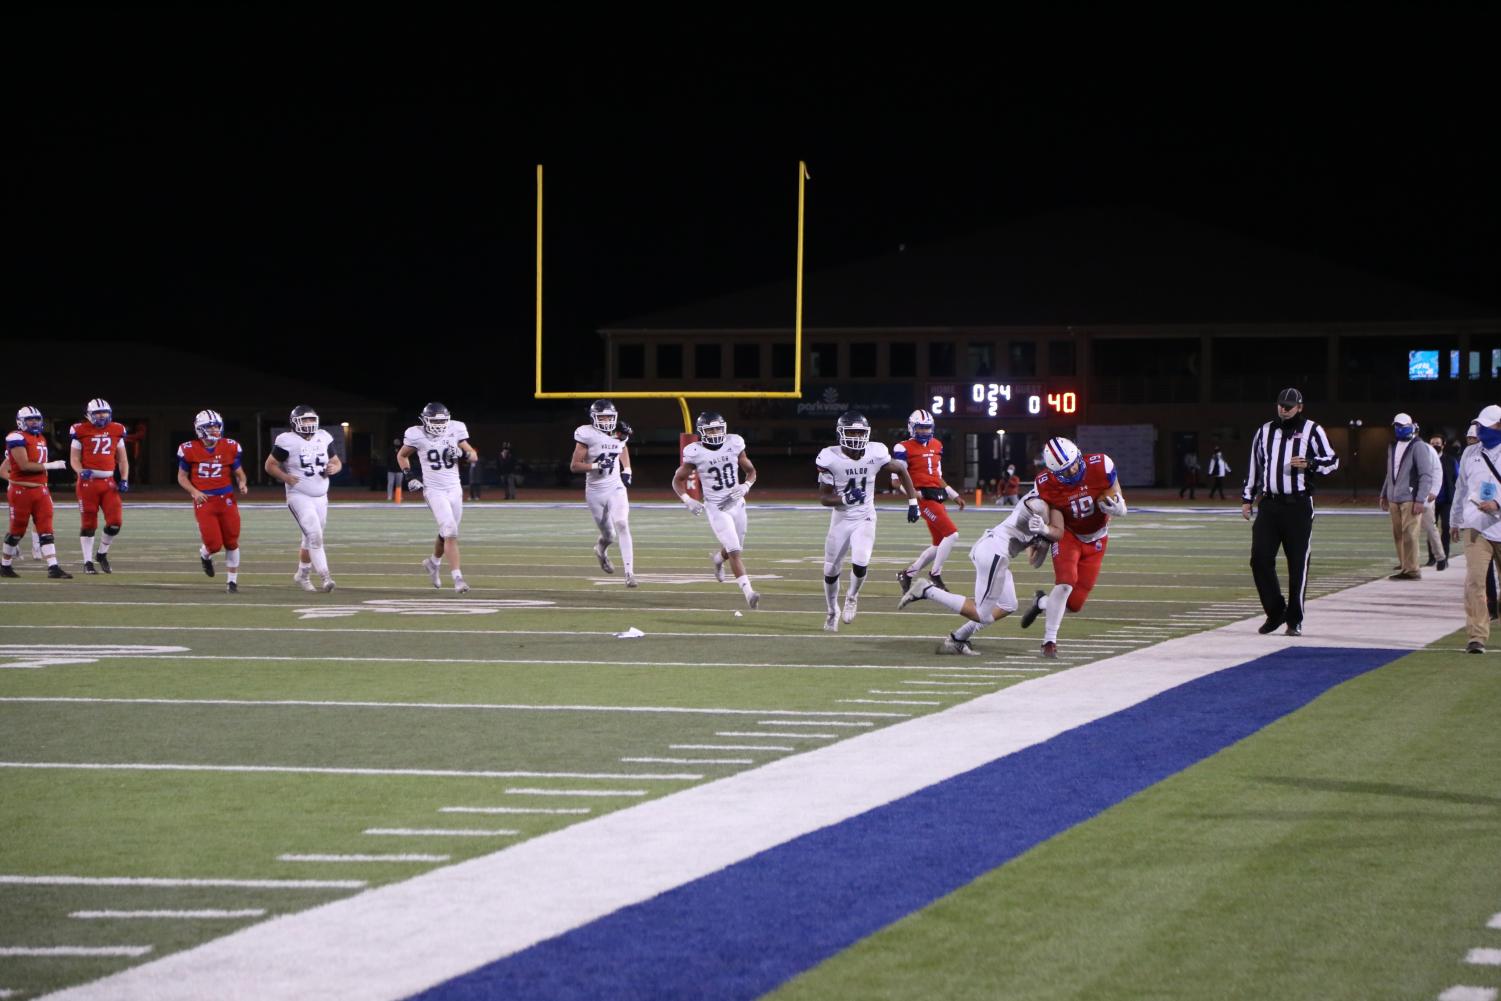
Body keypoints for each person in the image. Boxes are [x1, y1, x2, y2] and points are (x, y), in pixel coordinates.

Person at [899, 488, 1057, 654]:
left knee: (1008, 604)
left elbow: (1034, 561)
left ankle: (958, 638)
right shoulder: (1039, 505)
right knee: (980, 614)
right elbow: (1037, 507)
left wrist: (1045, 536)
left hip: (994, 552)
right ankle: (927, 590)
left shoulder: (1045, 512)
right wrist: (1049, 529)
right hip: (994, 552)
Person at [1014, 437, 1126, 657]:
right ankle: (1049, 642)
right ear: (1055, 473)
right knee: (1065, 584)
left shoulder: (1101, 464)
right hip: (1068, 535)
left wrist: (1120, 509)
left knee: (1074, 605)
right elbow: (1046, 514)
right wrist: (1040, 534)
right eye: (1065, 471)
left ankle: (1042, 602)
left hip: (1097, 539)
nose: (1073, 470)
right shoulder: (1046, 483)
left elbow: (1117, 494)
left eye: (1074, 463)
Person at [1241, 387, 1340, 636]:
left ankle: (1294, 620)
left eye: (1289, 405)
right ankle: (1276, 612)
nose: (1284, 409)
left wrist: (1311, 463)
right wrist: (1247, 498)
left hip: (1298, 505)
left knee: (1298, 564)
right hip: (1270, 504)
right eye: (1281, 405)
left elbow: (1333, 460)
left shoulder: (1312, 430)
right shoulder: (1264, 431)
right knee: (1259, 559)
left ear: (1300, 407)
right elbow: (1255, 465)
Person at [815, 411, 919, 631]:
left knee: (861, 562)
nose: (856, 436)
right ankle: (832, 611)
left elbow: (901, 469)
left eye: (860, 432)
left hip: (865, 517)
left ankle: (852, 596)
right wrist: (845, 497)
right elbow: (824, 497)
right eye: (851, 431)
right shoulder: (829, 457)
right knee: (830, 570)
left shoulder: (875, 452)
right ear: (840, 433)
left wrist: (913, 502)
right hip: (842, 518)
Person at [673, 410, 760, 609]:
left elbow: (751, 471)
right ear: (702, 432)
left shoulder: (734, 443)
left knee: (734, 549)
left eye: (718, 429)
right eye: (710, 430)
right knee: (735, 551)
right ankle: (749, 593)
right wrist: (687, 499)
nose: (715, 433)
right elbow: (677, 480)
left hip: (737, 504)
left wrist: (745, 486)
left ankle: (718, 559)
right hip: (717, 507)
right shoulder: (695, 452)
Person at [397, 402, 479, 594]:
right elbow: (402, 456)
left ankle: (433, 563)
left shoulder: (456, 429)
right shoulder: (416, 434)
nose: (438, 425)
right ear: (424, 420)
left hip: (454, 488)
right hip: (434, 489)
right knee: (450, 530)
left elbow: (473, 455)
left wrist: (462, 453)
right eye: (434, 421)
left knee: (446, 533)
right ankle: (458, 578)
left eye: (441, 421)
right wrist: (409, 476)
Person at [264, 404, 341, 593]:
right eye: (304, 420)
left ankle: (302, 574)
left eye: (311, 420)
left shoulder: (323, 436)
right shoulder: (286, 440)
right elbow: (270, 465)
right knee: (314, 535)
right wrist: (286, 477)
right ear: (294, 422)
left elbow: (336, 461)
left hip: (321, 496)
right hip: (299, 495)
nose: (308, 424)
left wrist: (334, 468)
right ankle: (326, 577)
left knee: (310, 538)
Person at [892, 408, 966, 593]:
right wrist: (912, 495)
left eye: (927, 428)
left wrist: (953, 494)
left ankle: (907, 574)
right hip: (923, 498)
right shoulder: (903, 447)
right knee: (952, 534)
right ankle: (935, 574)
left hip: (936, 496)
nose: (924, 432)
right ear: (912, 428)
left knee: (938, 543)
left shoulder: (937, 444)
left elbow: (938, 476)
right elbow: (895, 481)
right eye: (921, 428)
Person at [176, 409, 248, 592]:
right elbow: (182, 477)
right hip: (205, 500)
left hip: (227, 500)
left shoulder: (230, 446)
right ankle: (205, 555)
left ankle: (232, 581)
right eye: (210, 427)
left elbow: (239, 473)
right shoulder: (189, 449)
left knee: (232, 541)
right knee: (214, 545)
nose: (215, 430)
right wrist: (194, 491)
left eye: (217, 426)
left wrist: (242, 483)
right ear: (200, 429)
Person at [569, 399, 637, 588]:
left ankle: (629, 573)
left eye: (609, 416)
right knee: (609, 535)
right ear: (593, 418)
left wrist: (627, 469)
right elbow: (574, 466)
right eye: (602, 417)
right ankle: (601, 550)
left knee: (622, 523)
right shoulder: (586, 434)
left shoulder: (619, 432)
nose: (607, 420)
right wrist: (597, 465)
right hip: (595, 491)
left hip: (616, 487)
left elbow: (622, 447)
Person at [1450, 404, 1501, 653]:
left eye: (1485, 425)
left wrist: (1497, 502)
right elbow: (1461, 489)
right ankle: (1477, 636)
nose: (1480, 429)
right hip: (1476, 526)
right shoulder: (1470, 453)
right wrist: (1454, 520)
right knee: (1474, 582)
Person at [2, 405, 72, 579]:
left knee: (46, 527)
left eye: (37, 419)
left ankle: (53, 567)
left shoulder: (40, 438)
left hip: (41, 490)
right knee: (17, 530)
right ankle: (5, 565)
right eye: (30, 419)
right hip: (22, 491)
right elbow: (24, 466)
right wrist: (51, 465)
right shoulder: (16, 437)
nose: (34, 422)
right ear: (21, 422)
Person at [69, 398, 129, 574]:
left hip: (109, 482)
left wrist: (124, 478)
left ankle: (102, 554)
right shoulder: (80, 430)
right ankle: (87, 562)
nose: (102, 416)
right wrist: (81, 471)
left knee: (115, 523)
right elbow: (74, 458)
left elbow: (123, 459)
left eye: (104, 413)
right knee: (89, 524)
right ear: (89, 415)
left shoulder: (117, 429)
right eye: (97, 413)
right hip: (88, 483)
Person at [1379, 412, 1439, 581]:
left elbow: (1426, 475)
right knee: (1398, 534)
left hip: (1410, 498)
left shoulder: (1418, 446)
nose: (1398, 429)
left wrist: (1420, 499)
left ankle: (1412, 570)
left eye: (1401, 426)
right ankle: (1405, 566)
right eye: (1396, 426)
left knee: (1410, 534)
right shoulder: (1393, 446)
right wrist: (1384, 493)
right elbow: (1390, 473)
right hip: (1393, 497)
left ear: (1411, 426)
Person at [1424, 433, 1454, 570]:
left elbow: (1457, 478)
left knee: (1446, 527)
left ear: (1443, 444)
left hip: (1446, 500)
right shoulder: (1425, 460)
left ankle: (1445, 557)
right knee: (1431, 528)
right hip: (1430, 500)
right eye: (1432, 443)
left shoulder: (1450, 460)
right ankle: (1432, 558)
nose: (1435, 445)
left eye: (1437, 443)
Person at [386, 436, 403, 501]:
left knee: (399, 484)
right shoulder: (390, 450)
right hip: (391, 470)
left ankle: (399, 496)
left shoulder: (402, 450)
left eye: (398, 442)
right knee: (390, 483)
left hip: (399, 470)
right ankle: (389, 496)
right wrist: (389, 467)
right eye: (396, 442)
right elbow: (388, 459)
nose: (397, 443)